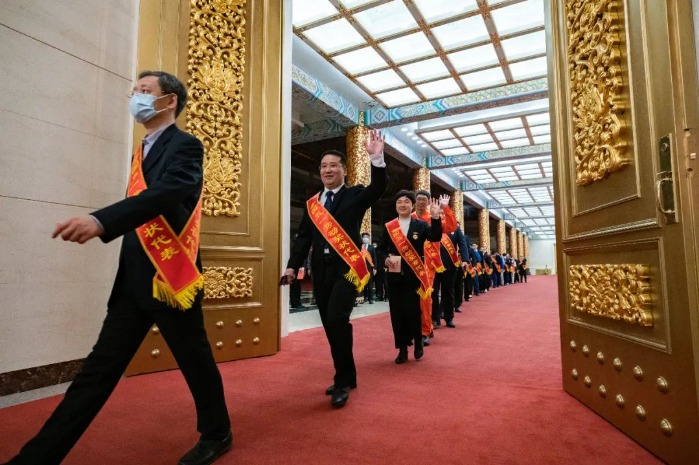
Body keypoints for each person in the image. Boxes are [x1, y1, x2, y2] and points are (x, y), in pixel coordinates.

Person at [4, 71, 231, 465]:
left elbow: (172, 191)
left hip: (169, 278)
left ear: (169, 101)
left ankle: (217, 433)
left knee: (195, 363)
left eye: (145, 91)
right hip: (132, 282)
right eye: (134, 91)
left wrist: (101, 220)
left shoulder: (186, 145)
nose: (136, 97)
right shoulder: (140, 152)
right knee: (97, 372)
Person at [281, 129, 387, 408]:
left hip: (347, 269)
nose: (327, 170)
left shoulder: (355, 195)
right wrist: (292, 267)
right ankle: (348, 374)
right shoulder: (313, 204)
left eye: (333, 165)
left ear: (344, 170)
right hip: (321, 270)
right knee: (330, 324)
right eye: (323, 166)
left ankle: (342, 381)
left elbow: (377, 189)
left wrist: (377, 160)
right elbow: (303, 238)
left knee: (337, 319)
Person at [377, 190, 442, 364]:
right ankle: (402, 348)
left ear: (412, 205)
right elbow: (380, 250)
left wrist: (436, 218)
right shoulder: (389, 227)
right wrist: (385, 259)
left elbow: (435, 236)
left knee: (413, 311)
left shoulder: (420, 225)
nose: (403, 204)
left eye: (406, 201)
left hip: (413, 275)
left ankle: (418, 341)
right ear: (395, 206)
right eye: (399, 202)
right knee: (397, 313)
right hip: (394, 276)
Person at [412, 191, 456, 345]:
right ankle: (414, 328)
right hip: (410, 263)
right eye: (418, 199)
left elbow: (451, 227)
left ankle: (425, 330)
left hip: (427, 265)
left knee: (425, 297)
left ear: (428, 202)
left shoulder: (434, 217)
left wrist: (446, 208)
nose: (421, 202)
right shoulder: (408, 218)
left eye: (424, 199)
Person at [433, 224, 469, 327]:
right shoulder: (430, 225)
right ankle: (434, 319)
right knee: (433, 292)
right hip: (433, 265)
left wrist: (465, 260)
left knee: (448, 292)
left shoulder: (455, 228)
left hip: (450, 265)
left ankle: (449, 318)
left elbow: (462, 243)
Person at [360, 232, 377, 304]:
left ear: (369, 238)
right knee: (363, 283)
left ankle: (370, 299)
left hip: (370, 268)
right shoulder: (360, 247)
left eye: (366, 237)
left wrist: (375, 268)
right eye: (364, 237)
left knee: (370, 283)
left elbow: (374, 258)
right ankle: (363, 298)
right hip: (361, 267)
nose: (365, 238)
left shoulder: (371, 247)